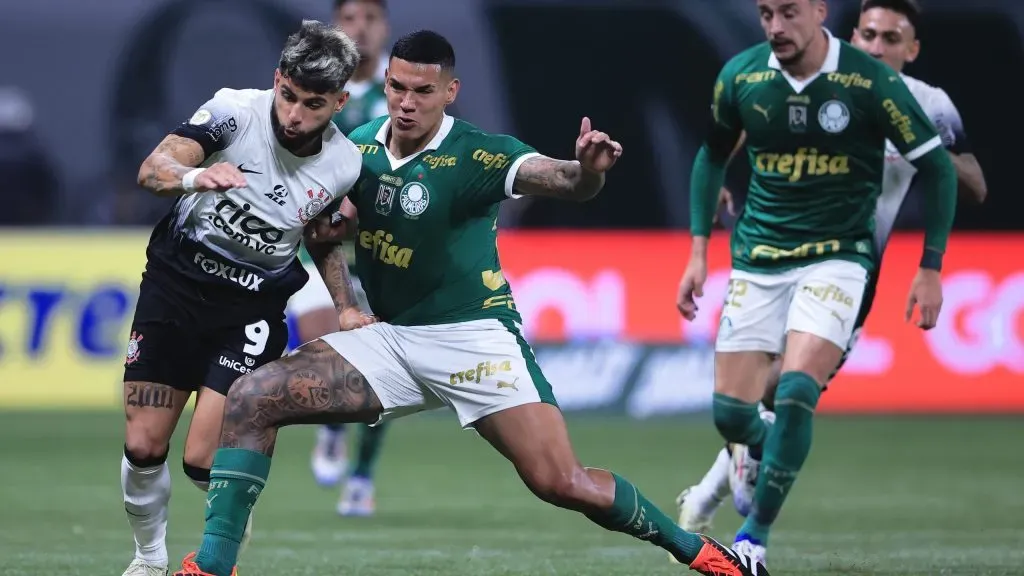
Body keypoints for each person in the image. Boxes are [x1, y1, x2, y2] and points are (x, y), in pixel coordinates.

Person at [170, 30, 769, 576]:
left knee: (562, 482)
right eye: (397, 87)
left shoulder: (478, 155)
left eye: (423, 91)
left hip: (475, 339)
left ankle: (704, 556)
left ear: (450, 92)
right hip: (393, 340)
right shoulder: (355, 150)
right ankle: (214, 567)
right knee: (253, 397)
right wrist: (346, 302)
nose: (407, 101)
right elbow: (324, 230)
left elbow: (559, 180)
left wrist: (588, 171)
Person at [674, 0, 987, 548]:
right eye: (869, 34)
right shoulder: (813, 79)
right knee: (746, 407)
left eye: (892, 39)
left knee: (786, 393)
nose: (878, 47)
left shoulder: (926, 103)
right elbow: (733, 136)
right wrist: (718, 184)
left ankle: (748, 532)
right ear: (851, 33)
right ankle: (710, 490)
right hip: (769, 253)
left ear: (910, 50)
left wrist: (920, 142)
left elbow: (971, 182)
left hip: (847, 265)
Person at [120, 20, 367, 576]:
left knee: (205, 459)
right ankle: (148, 556)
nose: (295, 114)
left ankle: (224, 524)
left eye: (314, 103)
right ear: (275, 79)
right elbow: (152, 167)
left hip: (250, 308)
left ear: (339, 101)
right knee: (142, 447)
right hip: (175, 287)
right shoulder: (234, 111)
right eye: (288, 95)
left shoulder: (344, 163)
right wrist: (192, 178)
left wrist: (347, 305)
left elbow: (319, 237)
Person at [294, 0, 393, 517]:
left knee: (383, 365)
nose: (362, 27)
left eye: (371, 19)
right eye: (351, 19)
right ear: (337, 28)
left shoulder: (404, 98)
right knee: (322, 343)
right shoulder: (313, 94)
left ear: (385, 28)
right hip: (318, 248)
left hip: (383, 253)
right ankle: (331, 427)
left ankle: (361, 476)